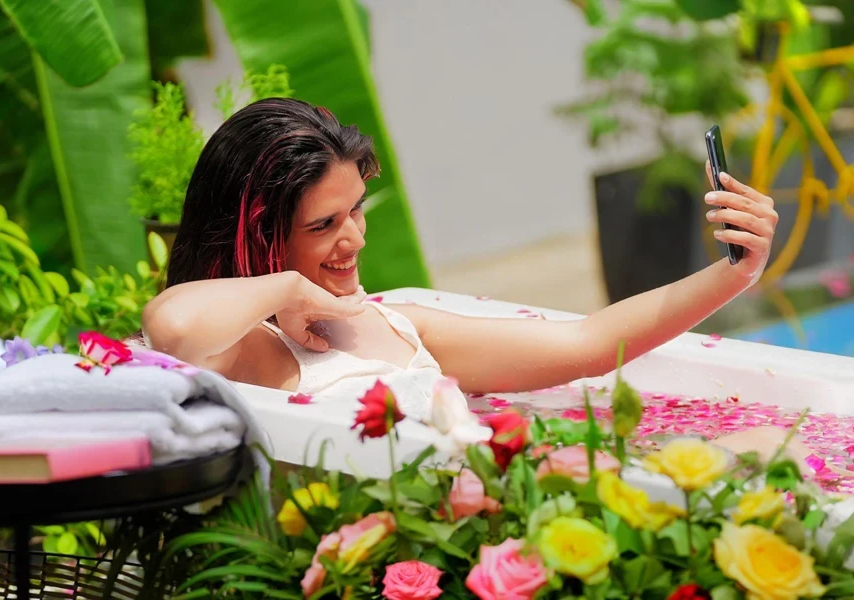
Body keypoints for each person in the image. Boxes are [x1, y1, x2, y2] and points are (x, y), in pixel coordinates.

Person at [142, 97, 779, 422]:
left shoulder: (399, 323)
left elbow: (588, 343)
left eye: (357, 210)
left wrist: (736, 272)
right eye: (324, 224)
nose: (356, 239)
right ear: (257, 232)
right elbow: (171, 326)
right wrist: (289, 292)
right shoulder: (245, 351)